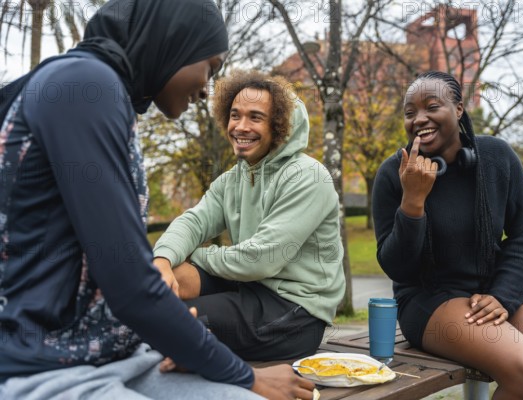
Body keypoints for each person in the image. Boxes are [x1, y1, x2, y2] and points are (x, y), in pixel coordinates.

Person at [0, 1, 316, 399]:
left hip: (119, 355)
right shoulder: (82, 84)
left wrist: (183, 338)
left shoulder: (106, 95)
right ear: (174, 40)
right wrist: (246, 375)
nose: (206, 90)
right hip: (45, 367)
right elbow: (133, 279)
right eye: (210, 67)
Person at [372, 71, 523, 399]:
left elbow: (522, 232)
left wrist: (503, 296)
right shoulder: (394, 174)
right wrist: (412, 203)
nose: (419, 118)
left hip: (496, 291)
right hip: (429, 300)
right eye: (410, 113)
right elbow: (398, 268)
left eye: (431, 106)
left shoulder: (497, 158)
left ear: (459, 108)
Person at [153, 70, 345, 361]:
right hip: (249, 287)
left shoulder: (307, 176)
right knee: (161, 285)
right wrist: (163, 260)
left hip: (294, 313)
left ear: (280, 125)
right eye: (235, 115)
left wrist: (197, 257)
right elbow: (193, 221)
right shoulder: (234, 178)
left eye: (255, 117)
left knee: (169, 320)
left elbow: (262, 259)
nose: (241, 127)